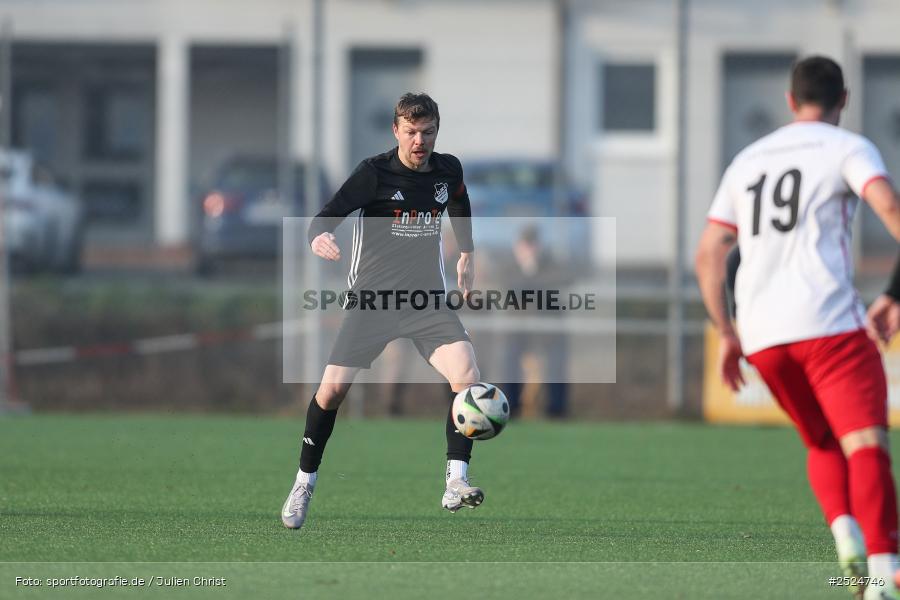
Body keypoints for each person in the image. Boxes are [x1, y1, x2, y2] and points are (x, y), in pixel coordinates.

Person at [695, 56, 900, 599]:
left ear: (790, 101)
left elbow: (709, 255)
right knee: (867, 444)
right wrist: (896, 295)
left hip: (763, 336)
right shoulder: (848, 148)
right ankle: (884, 577)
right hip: (830, 324)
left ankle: (847, 539)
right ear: (845, 100)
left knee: (822, 440)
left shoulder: (747, 160)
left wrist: (728, 331)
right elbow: (890, 209)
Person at [281, 93, 486, 531]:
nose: (419, 141)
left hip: (425, 300)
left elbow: (459, 199)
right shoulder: (373, 174)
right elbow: (325, 217)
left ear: (436, 132)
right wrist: (318, 238)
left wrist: (466, 250)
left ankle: (456, 480)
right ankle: (304, 481)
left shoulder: (448, 169)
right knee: (332, 392)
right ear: (396, 131)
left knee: (466, 373)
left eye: (427, 132)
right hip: (373, 300)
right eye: (411, 132)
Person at [501, 226, 569, 418]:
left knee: (556, 359)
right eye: (525, 244)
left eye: (532, 244)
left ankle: (556, 410)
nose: (529, 249)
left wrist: (531, 275)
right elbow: (510, 287)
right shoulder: (508, 266)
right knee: (509, 357)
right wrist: (530, 275)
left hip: (547, 328)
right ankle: (511, 407)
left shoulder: (551, 264)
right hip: (518, 328)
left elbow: (557, 283)